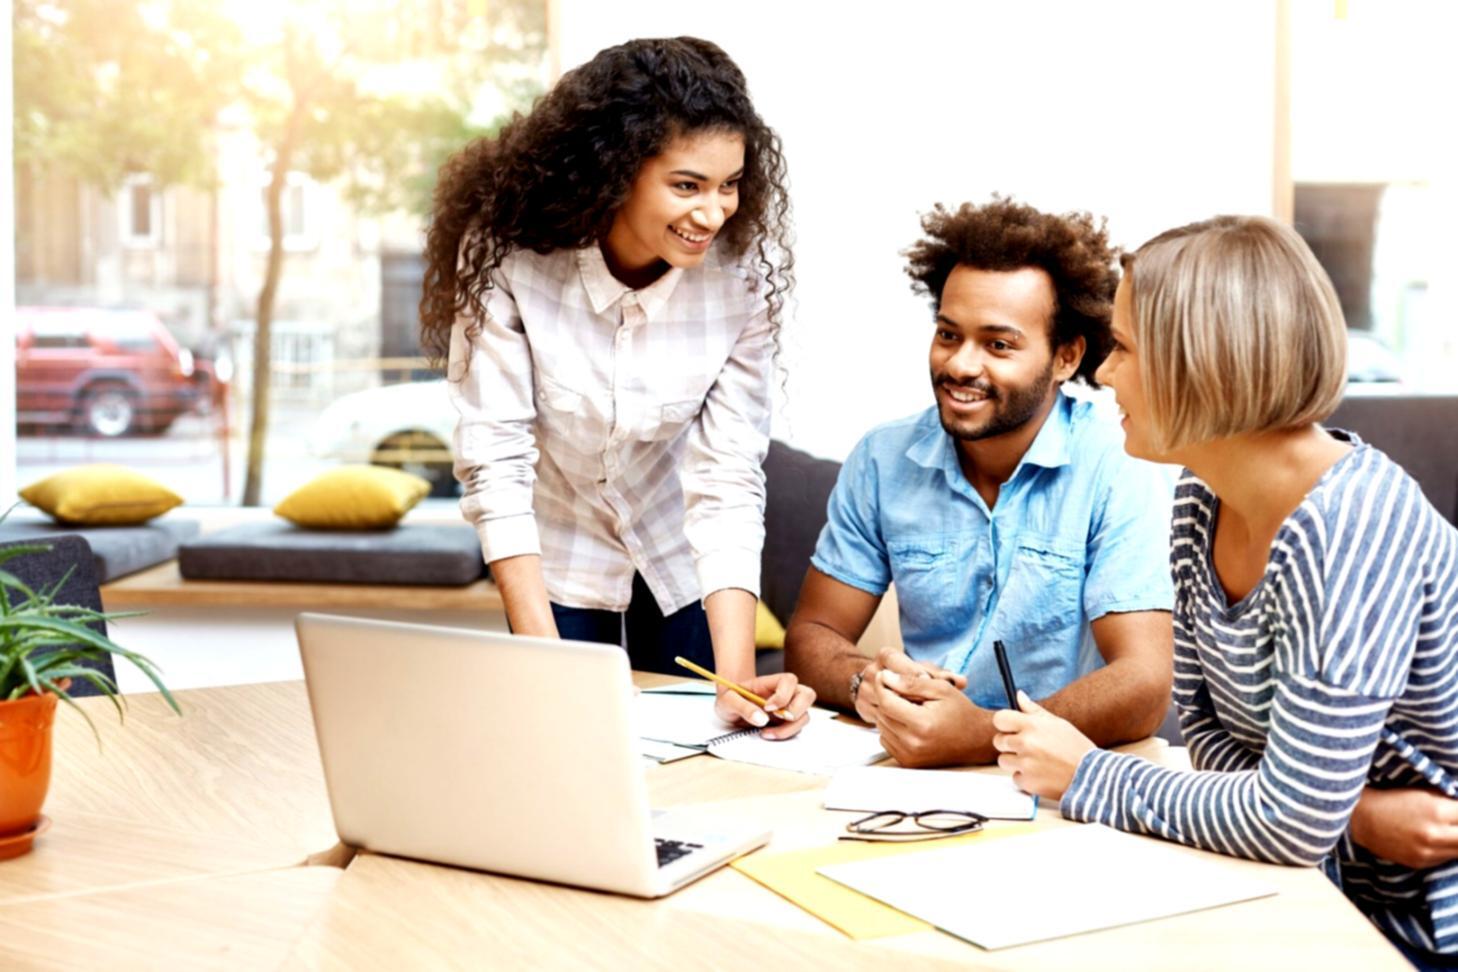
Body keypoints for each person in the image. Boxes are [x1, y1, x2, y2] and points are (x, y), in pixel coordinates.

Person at [993, 215, 1458, 967]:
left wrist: (1088, 773)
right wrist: (1350, 816)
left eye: (1126, 349)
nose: (1104, 373)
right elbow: (1216, 753)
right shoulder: (1197, 503)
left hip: (1423, 929)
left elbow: (1290, 818)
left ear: (1204, 363)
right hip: (1309, 892)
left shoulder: (1352, 526)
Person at [419, 37, 814, 737]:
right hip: (558, 545)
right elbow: (496, 463)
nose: (714, 212)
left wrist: (738, 682)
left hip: (679, 547)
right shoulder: (509, 253)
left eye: (730, 185)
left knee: (707, 750)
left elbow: (727, 477)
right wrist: (541, 659)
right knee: (567, 746)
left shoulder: (741, 277)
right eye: (687, 185)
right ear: (614, 170)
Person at [784, 198, 1174, 767]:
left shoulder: (1116, 465)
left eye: (998, 344)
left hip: (1065, 780)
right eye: (948, 335)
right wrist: (863, 683)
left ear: (1065, 357)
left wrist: (979, 733)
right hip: (911, 775)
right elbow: (812, 633)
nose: (961, 365)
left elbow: (1143, 685)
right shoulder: (882, 459)